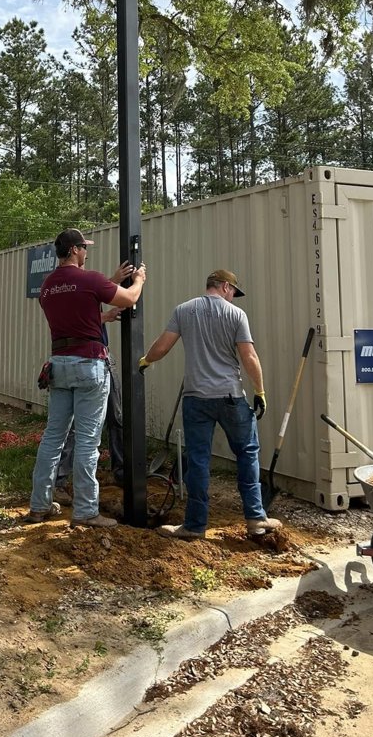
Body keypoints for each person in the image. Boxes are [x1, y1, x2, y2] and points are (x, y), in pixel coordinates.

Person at [139, 268, 282, 541]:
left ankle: (194, 526)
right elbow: (249, 356)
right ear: (225, 286)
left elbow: (163, 346)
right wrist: (259, 391)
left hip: (196, 399)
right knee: (247, 453)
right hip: (230, 396)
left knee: (198, 460)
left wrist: (146, 361)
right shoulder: (236, 315)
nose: (233, 297)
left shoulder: (184, 310)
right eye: (233, 292)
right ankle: (255, 518)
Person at [27, 229, 146, 529]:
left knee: (53, 438)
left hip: (59, 364)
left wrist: (102, 313)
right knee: (87, 442)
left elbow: (74, 313)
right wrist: (139, 279)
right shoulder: (90, 279)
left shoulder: (48, 286)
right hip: (89, 365)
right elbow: (129, 298)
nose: (86, 252)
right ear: (74, 250)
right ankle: (86, 511)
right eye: (83, 247)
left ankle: (39, 505)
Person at [53, 306, 125, 502]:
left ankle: (121, 472)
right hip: (82, 360)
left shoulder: (92, 292)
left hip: (104, 357)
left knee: (116, 416)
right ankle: (59, 481)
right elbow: (76, 323)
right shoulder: (72, 293)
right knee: (76, 425)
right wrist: (107, 316)